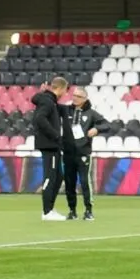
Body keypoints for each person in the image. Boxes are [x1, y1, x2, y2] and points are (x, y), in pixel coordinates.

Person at [62, 87, 111, 221]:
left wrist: (96, 129)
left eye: (78, 96)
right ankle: (72, 211)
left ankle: (88, 210)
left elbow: (107, 125)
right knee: (69, 182)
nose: (74, 98)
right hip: (68, 152)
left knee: (84, 182)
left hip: (83, 152)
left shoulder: (91, 113)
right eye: (74, 95)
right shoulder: (66, 111)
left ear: (84, 99)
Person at [32, 78, 69, 221]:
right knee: (50, 177)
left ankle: (50, 209)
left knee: (58, 176)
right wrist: (55, 135)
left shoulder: (49, 100)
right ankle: (47, 211)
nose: (65, 93)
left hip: (52, 145)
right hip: (49, 144)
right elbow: (40, 119)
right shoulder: (48, 101)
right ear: (60, 88)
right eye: (65, 90)